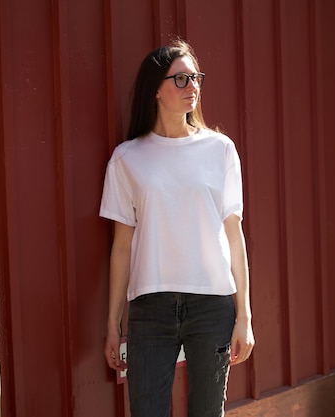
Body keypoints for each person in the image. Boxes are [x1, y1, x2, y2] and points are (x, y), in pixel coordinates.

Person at [99, 39, 255, 417]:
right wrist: (112, 324)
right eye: (181, 79)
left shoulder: (220, 150)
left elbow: (234, 235)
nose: (193, 87)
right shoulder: (127, 158)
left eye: (195, 78)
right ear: (156, 88)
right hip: (150, 309)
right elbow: (122, 247)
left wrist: (245, 317)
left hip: (212, 305)